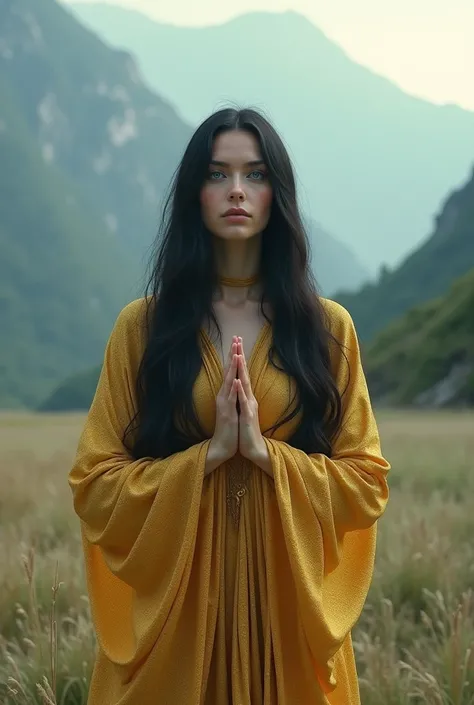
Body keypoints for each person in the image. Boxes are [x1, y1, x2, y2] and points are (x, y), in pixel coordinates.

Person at [69, 107, 390, 705]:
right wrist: (208, 457)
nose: (237, 190)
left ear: (278, 194)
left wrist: (268, 457)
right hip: (176, 617)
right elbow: (93, 483)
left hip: (284, 615)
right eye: (218, 174)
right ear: (195, 192)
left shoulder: (326, 330)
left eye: (256, 174)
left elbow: (367, 483)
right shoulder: (142, 329)